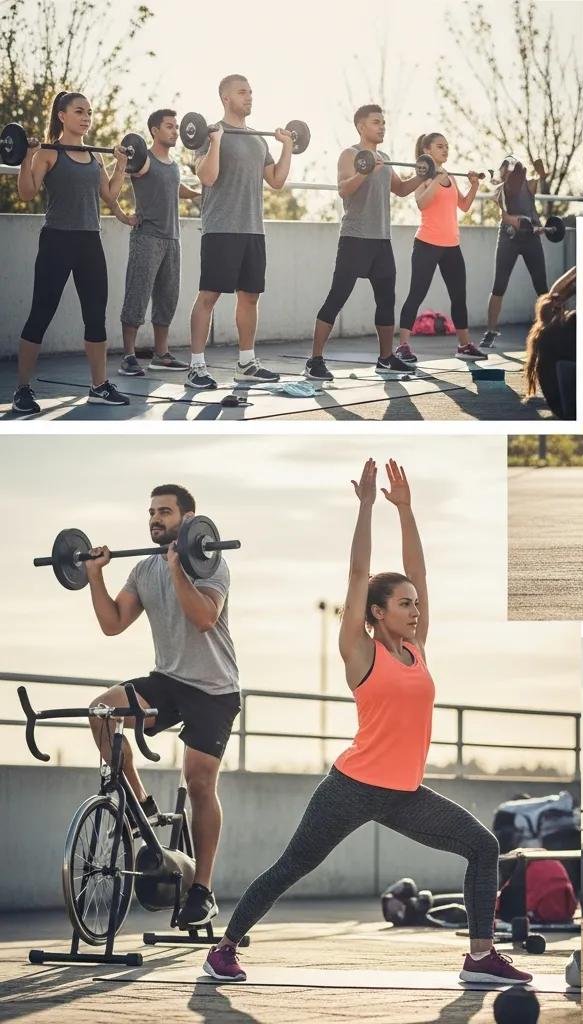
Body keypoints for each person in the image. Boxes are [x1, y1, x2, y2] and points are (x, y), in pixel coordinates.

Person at [203, 459, 531, 986]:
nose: (415, 610)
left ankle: (479, 957)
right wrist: (367, 507)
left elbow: (419, 572)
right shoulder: (360, 653)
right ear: (376, 612)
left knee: (483, 846)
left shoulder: (417, 649)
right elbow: (359, 575)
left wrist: (407, 510)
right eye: (404, 604)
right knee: (294, 864)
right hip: (351, 788)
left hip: (405, 793)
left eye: (416, 604)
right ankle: (224, 948)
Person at [83, 484, 240, 928]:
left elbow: (204, 618)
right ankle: (143, 805)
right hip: (168, 681)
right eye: (152, 512)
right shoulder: (143, 569)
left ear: (189, 519)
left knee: (199, 780)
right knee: (101, 713)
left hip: (214, 689)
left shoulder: (211, 563)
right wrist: (95, 575)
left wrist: (177, 567)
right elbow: (113, 623)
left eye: (165, 512)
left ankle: (202, 890)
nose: (155, 519)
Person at [12, 91, 131, 414]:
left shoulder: (94, 156)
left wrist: (121, 166)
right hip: (57, 241)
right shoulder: (48, 152)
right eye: (79, 111)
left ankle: (99, 386)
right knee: (41, 312)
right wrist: (25, 157)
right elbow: (26, 193)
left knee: (95, 315)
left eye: (89, 112)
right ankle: (22, 389)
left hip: (90, 241)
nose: (86, 117)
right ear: (62, 116)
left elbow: (109, 195)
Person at [186, 74, 294, 390]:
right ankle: (196, 367)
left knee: (250, 296)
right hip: (221, 228)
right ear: (226, 98)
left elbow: (276, 180)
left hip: (253, 229)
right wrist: (216, 142)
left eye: (250, 92)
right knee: (209, 295)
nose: (249, 97)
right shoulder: (209, 133)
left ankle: (246, 363)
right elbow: (207, 177)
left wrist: (288, 147)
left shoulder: (259, 140)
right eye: (242, 92)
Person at [305, 105, 424, 383]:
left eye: (383, 122)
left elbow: (401, 189)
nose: (382, 127)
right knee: (337, 297)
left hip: (381, 241)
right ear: (361, 126)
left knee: (386, 300)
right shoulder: (350, 154)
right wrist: (365, 171)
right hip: (355, 239)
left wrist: (423, 174)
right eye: (376, 122)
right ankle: (314, 361)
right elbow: (343, 189)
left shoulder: (385, 158)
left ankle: (385, 359)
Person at [117, 109, 202, 377]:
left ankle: (161, 355)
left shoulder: (172, 164)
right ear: (154, 130)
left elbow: (176, 188)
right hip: (147, 237)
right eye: (169, 126)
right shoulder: (143, 160)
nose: (176, 131)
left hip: (172, 239)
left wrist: (201, 193)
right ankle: (128, 356)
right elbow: (111, 183)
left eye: (176, 126)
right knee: (137, 296)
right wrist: (122, 214)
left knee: (167, 298)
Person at [395, 133, 485, 363]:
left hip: (451, 246)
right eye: (440, 146)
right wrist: (435, 180)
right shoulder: (423, 175)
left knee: (459, 296)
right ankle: (402, 346)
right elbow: (421, 203)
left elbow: (464, 206)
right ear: (427, 150)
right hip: (427, 244)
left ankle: (464, 346)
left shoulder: (451, 177)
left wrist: (474, 186)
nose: (445, 150)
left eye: (447, 146)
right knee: (416, 294)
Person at [479, 157, 550, 350]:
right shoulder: (500, 190)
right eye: (506, 170)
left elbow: (541, 177)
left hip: (531, 239)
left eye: (513, 169)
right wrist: (523, 222)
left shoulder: (529, 184)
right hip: (508, 238)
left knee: (541, 286)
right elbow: (506, 217)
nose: (510, 172)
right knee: (499, 286)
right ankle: (490, 332)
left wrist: (541, 172)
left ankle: (551, 329)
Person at [524, 266, 576, 419]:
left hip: (561, 407)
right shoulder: (566, 326)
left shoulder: (542, 334)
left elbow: (554, 295)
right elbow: (556, 294)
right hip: (570, 408)